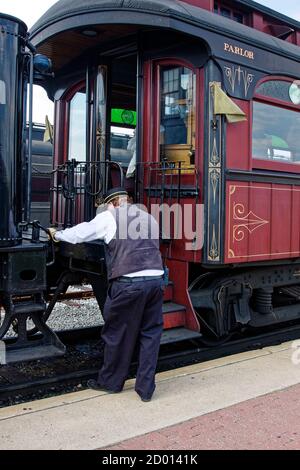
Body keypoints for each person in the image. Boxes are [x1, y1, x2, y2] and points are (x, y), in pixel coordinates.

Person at [49, 188, 164, 402]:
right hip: (156, 281)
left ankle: (111, 382)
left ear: (112, 204)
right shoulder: (148, 217)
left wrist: (58, 234)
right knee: (150, 334)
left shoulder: (109, 216)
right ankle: (146, 389)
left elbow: (81, 233)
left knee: (117, 334)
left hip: (129, 284)